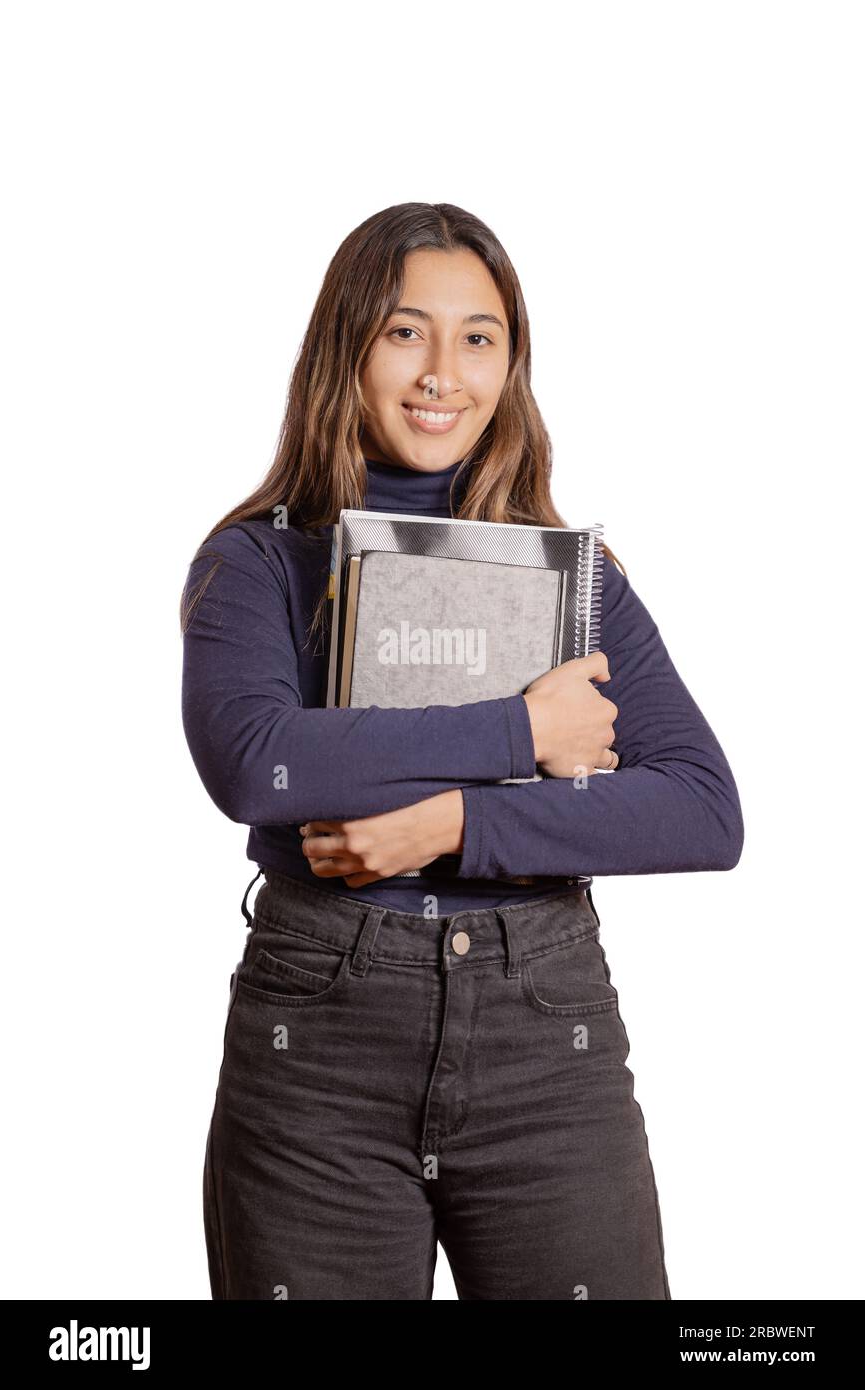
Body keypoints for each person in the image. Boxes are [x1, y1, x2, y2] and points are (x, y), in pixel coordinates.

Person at [180, 202, 744, 1301]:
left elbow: (701, 810)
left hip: (544, 1037)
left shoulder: (572, 577)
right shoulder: (256, 563)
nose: (442, 371)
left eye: (478, 337)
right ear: (346, 347)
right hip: (320, 1041)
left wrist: (453, 825)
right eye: (404, 331)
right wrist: (522, 732)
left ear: (511, 366)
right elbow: (257, 764)